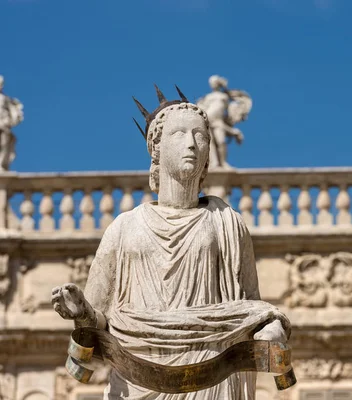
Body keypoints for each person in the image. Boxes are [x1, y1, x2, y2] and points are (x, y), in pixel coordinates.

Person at [51, 87, 289, 399]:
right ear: (157, 149)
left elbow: (252, 311)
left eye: (200, 136)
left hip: (212, 375)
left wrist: (272, 329)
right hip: (136, 379)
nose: (192, 143)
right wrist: (83, 314)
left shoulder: (227, 222)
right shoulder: (124, 228)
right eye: (179, 134)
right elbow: (94, 354)